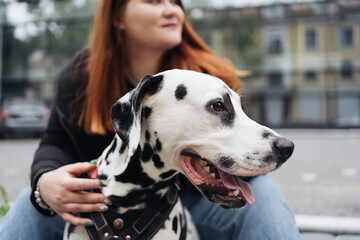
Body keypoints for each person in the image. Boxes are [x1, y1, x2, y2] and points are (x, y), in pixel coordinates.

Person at [0, 0, 301, 239]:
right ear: (117, 17)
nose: (171, 8)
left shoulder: (208, 75)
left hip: (192, 209)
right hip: (96, 207)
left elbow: (234, 140)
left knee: (264, 196)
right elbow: (56, 141)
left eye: (174, 1)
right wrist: (45, 183)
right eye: (155, 0)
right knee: (32, 198)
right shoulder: (81, 76)